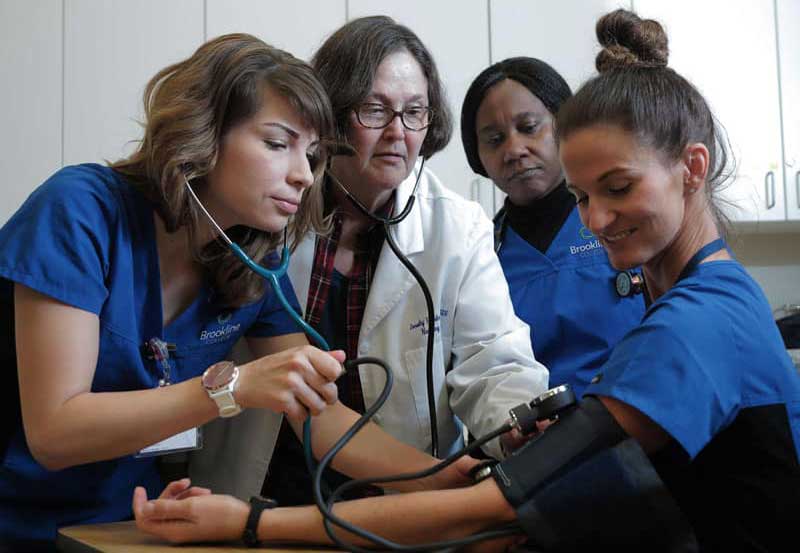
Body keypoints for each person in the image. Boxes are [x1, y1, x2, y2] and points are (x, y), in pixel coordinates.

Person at [134, 9, 800, 551]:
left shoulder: (689, 319)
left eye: (416, 112)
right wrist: (249, 519)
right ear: (329, 118)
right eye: (373, 110)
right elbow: (297, 402)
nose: (594, 220)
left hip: (402, 499)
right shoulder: (258, 216)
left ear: (692, 167)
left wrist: (511, 433)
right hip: (274, 482)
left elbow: (497, 373)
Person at [0, 33, 346, 550]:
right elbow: (54, 433)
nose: (302, 176)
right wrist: (232, 387)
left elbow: (323, 415)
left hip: (122, 524)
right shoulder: (78, 210)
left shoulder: (253, 258)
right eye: (278, 144)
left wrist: (448, 476)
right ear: (202, 134)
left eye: (312, 155)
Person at [461, 57, 645, 399]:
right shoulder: (480, 258)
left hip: (642, 428)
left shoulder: (627, 220)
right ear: (478, 157)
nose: (514, 150)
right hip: (542, 444)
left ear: (564, 125)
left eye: (529, 127)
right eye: (494, 139)